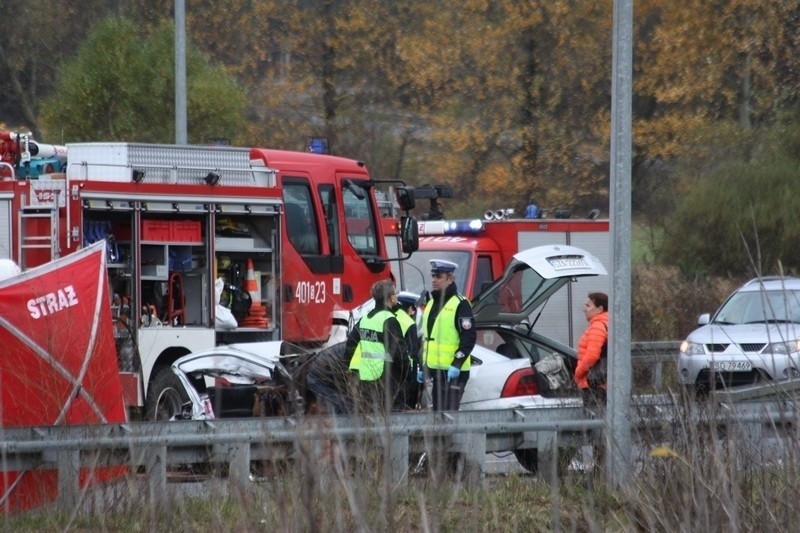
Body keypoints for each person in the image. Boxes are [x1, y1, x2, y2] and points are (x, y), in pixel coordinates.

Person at [345, 279, 410, 413]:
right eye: (395, 293)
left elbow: (350, 344)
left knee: (369, 415)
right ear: (391, 298)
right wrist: (407, 374)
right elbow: (399, 352)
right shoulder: (389, 320)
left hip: (366, 377)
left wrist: (347, 368)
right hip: (386, 379)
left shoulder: (366, 319)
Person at [420, 259, 476, 411]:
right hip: (436, 370)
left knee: (448, 414)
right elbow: (427, 339)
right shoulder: (431, 303)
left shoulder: (461, 303)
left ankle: (446, 436)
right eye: (433, 276)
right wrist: (422, 366)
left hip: (454, 372)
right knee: (438, 414)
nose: (434, 280)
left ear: (450, 279)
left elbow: (469, 338)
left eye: (439, 277)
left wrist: (456, 364)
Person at [574, 292, 609, 407]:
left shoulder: (598, 326)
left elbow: (592, 356)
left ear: (600, 309)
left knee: (594, 419)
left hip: (594, 384)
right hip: (600, 382)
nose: (584, 309)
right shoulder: (605, 323)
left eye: (588, 306)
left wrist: (578, 373)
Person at [395, 291, 422, 409]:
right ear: (410, 308)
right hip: (405, 371)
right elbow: (412, 352)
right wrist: (414, 374)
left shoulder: (390, 317)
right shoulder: (409, 322)